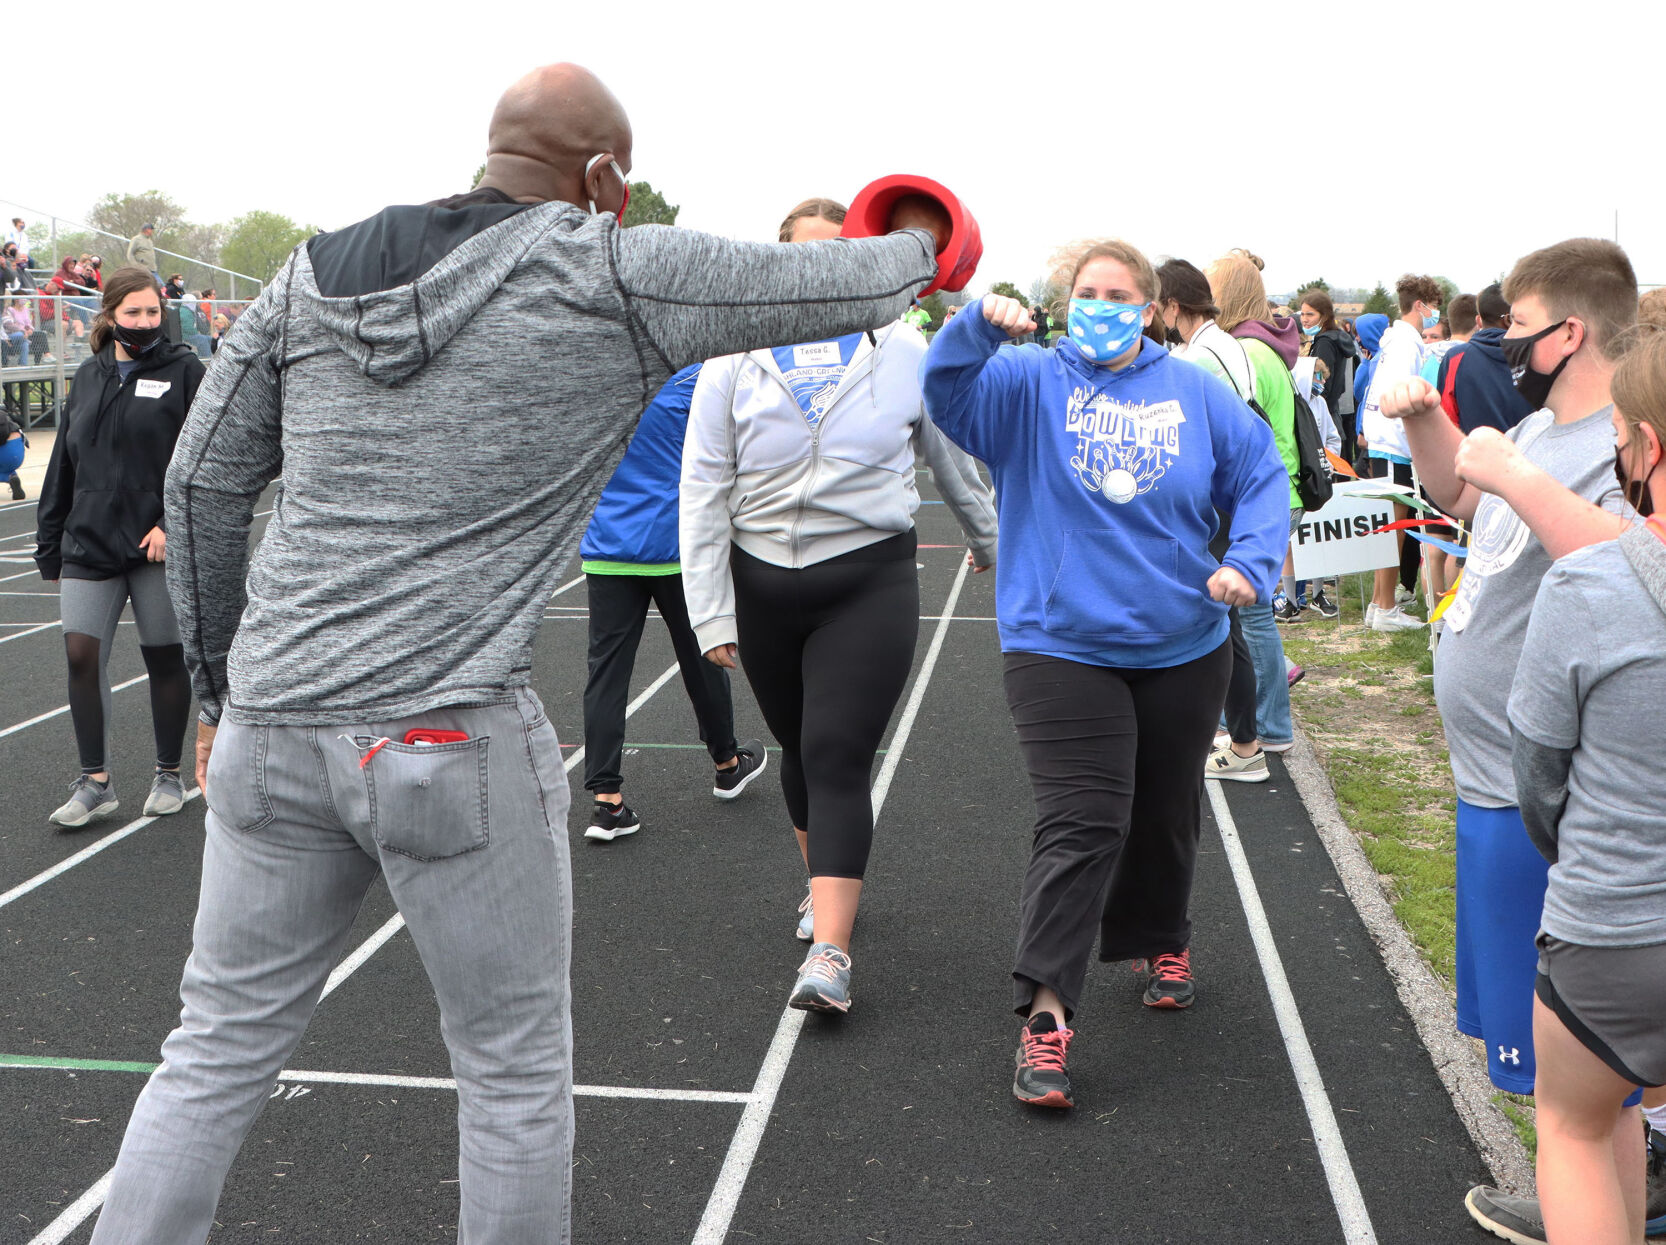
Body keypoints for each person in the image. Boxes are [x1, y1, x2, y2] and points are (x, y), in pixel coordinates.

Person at [89, 62, 957, 1245]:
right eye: (622, 183)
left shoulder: (307, 266)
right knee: (508, 1075)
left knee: (214, 1050)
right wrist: (926, 227)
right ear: (602, 176)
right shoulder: (604, 267)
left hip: (273, 726)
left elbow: (201, 481)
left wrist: (231, 680)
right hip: (445, 730)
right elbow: (866, 280)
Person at [921, 239, 1289, 1109]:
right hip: (1059, 645)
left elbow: (1263, 472)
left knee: (1164, 811)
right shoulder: (1026, 381)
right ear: (1065, 299)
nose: (1103, 303)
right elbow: (946, 395)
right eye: (1088, 291)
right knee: (1083, 819)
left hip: (1182, 643)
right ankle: (1046, 1020)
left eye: (1121, 293)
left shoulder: (1196, 391)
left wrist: (1251, 559)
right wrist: (974, 326)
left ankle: (1163, 934)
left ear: (1154, 307)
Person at [1376, 237, 1640, 1244]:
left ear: (1569, 332)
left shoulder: (1618, 440)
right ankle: (1593, 1203)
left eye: (1518, 328)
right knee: (1565, 1078)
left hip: (1549, 801)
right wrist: (1433, 424)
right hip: (1490, 782)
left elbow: (1634, 568)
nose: (1504, 343)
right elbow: (1458, 499)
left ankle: (1584, 1206)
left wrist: (1517, 477)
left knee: (1580, 1070)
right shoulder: (1536, 422)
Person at [680, 194, 998, 1015]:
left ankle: (831, 950)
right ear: (779, 262)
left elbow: (951, 458)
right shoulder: (733, 353)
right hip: (762, 586)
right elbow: (704, 485)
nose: (820, 269)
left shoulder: (903, 347)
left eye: (836, 253)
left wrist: (994, 542)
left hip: (869, 579)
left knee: (835, 750)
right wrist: (710, 610)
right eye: (803, 255)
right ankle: (819, 885)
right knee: (796, 747)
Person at [1503, 326, 1666, 1245]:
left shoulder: (1589, 587)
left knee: (1574, 1125)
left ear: (1641, 444)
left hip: (1612, 931)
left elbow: (1539, 770)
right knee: (1624, 1114)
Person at [33, 266, 203, 828]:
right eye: (133, 313)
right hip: (89, 542)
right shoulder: (88, 375)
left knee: (163, 658)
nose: (145, 321)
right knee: (81, 656)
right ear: (110, 316)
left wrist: (171, 523)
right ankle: (95, 782)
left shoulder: (184, 371)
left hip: (154, 543)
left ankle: (168, 773)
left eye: (153, 311)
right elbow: (64, 462)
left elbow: (203, 460)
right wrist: (50, 542)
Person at [579, 364, 768, 842]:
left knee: (606, 674)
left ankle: (606, 801)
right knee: (703, 652)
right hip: (676, 546)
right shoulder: (693, 377)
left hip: (609, 547)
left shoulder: (598, 376)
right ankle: (727, 762)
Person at [1158, 257, 1296, 779]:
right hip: (1241, 495)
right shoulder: (1226, 344)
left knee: (1231, 622)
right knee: (1244, 620)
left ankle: (1248, 740)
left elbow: (1196, 434)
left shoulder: (1202, 358)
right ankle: (1255, 733)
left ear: (1173, 305)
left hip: (1227, 499)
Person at [1358, 274, 1443, 630]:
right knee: (1394, 528)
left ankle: (1380, 604)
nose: (1436, 314)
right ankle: (1387, 607)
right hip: (1394, 445)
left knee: (1388, 528)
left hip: (1383, 443)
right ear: (1419, 305)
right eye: (1434, 306)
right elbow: (1400, 398)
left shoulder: (1395, 340)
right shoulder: (1407, 343)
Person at [1434, 283, 1534, 436]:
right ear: (1509, 319)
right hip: (1528, 457)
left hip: (1474, 455)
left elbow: (1447, 421)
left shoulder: (1456, 358)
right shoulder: (1536, 355)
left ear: (1479, 321)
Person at [1299, 288, 1358, 453]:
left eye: (1310, 314)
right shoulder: (1334, 337)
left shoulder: (1325, 343)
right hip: (1332, 413)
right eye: (1302, 314)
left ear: (1324, 316)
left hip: (1324, 416)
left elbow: (1323, 383)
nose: (1304, 319)